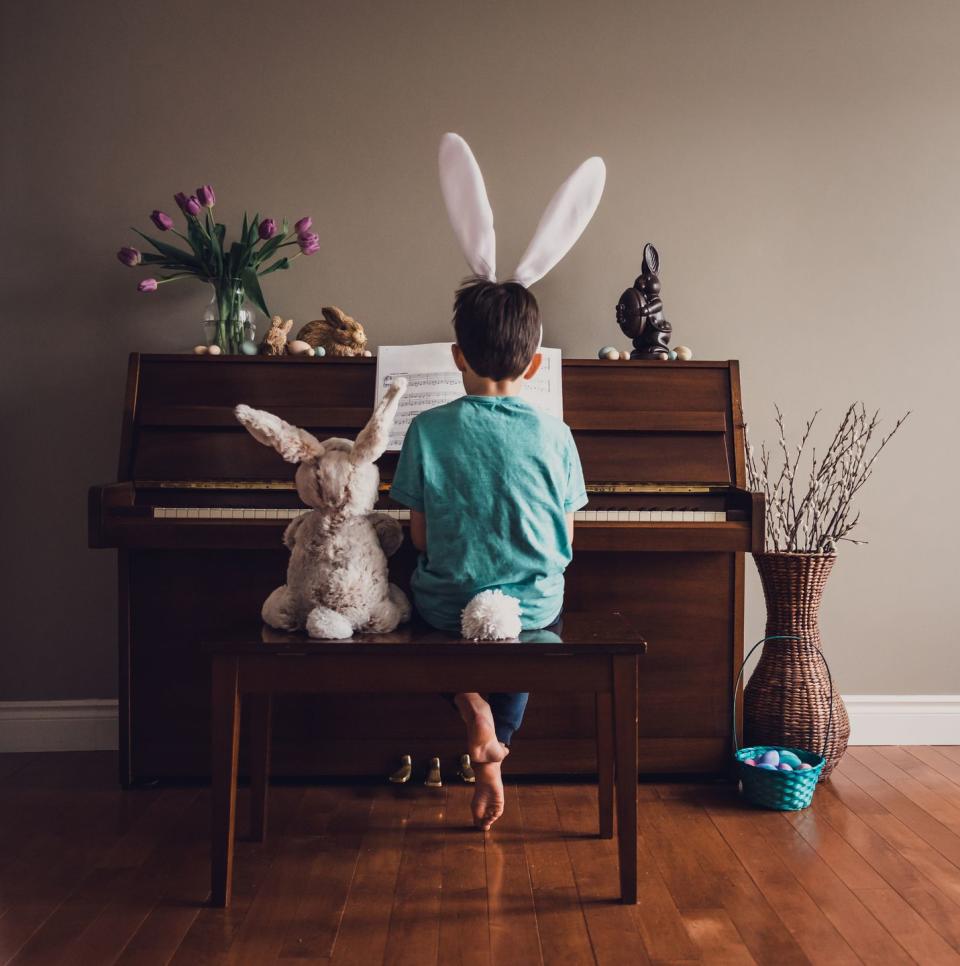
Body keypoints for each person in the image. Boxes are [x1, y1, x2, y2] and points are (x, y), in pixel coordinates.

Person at [390, 278, 587, 830]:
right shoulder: (558, 434)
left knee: (424, 616)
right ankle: (498, 739)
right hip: (532, 604)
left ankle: (469, 703)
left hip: (449, 603)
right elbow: (565, 543)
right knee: (526, 623)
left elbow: (422, 540)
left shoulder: (427, 429)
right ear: (533, 367)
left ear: (457, 357)